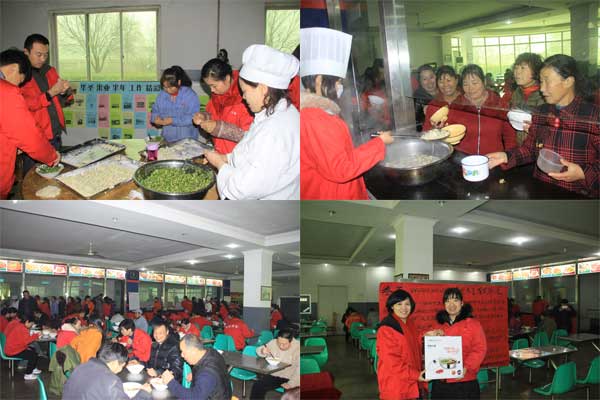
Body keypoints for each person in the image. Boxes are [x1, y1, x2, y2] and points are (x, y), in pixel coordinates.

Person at [300, 27, 393, 200]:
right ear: (319, 80)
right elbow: (341, 168)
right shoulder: (315, 118)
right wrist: (380, 143)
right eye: (337, 82)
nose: (340, 87)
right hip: (331, 195)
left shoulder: (315, 112)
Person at [487, 54, 599, 198]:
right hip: (541, 189)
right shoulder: (542, 112)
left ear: (568, 81)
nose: (542, 89)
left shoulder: (593, 116)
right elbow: (530, 149)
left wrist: (583, 173)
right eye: (541, 82)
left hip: (576, 194)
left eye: (547, 81)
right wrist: (506, 156)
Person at [204, 44, 300, 200]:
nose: (243, 97)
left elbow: (241, 189)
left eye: (245, 91)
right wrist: (226, 158)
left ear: (262, 88)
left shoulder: (275, 130)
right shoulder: (269, 114)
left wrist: (220, 165)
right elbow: (248, 149)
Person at [1, 55, 60, 198]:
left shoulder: (50, 71)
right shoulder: (6, 91)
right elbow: (29, 137)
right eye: (20, 81)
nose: (17, 86)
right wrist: (51, 156)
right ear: (13, 68)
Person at [20, 34, 72, 174]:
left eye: (46, 55)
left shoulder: (50, 70)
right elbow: (25, 105)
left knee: (55, 174)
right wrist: (50, 93)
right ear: (26, 52)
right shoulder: (20, 75)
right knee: (33, 176)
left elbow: (64, 100)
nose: (43, 59)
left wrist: (64, 91)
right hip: (36, 138)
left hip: (55, 133)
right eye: (38, 54)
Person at [437, 64, 517, 155]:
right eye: (465, 84)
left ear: (484, 82)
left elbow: (510, 136)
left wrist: (508, 156)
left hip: (493, 159)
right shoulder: (457, 105)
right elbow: (448, 132)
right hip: (463, 158)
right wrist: (441, 130)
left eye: (474, 83)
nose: (470, 88)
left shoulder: (498, 104)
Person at [429, 288, 487, 399]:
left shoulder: (473, 324)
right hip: (441, 381)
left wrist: (467, 367)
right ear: (444, 304)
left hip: (464, 380)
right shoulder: (438, 325)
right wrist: (430, 336)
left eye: (455, 300)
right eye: (447, 301)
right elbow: (430, 348)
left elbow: (480, 349)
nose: (451, 304)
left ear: (462, 303)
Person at [193, 49, 255, 154]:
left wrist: (218, 128)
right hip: (219, 153)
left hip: (238, 156)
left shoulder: (245, 99)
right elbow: (212, 115)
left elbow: (250, 136)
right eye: (209, 86)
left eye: (214, 86)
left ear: (227, 78)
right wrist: (204, 117)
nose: (212, 90)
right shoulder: (217, 96)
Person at [376, 289, 427, 399]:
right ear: (392, 306)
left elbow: (413, 341)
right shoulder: (386, 329)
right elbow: (392, 362)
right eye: (399, 304)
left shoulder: (409, 323)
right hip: (396, 384)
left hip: (411, 381)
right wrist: (416, 375)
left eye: (407, 304)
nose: (404, 308)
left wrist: (427, 335)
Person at [63, 343, 152, 400]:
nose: (121, 369)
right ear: (115, 362)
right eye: (122, 365)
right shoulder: (111, 381)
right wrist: (144, 393)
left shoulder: (81, 367)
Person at [161, 334, 232, 399]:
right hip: (221, 392)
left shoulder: (206, 374)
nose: (182, 355)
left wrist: (171, 382)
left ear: (194, 351)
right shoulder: (211, 352)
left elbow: (195, 397)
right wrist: (194, 373)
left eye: (183, 352)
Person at [150, 66, 199, 142]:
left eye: (170, 87)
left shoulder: (190, 95)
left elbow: (193, 118)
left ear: (178, 82)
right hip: (167, 138)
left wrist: (172, 120)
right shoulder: (161, 96)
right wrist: (156, 120)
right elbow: (155, 111)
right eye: (165, 87)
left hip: (187, 139)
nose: (167, 90)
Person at [508, 53, 545, 145]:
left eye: (523, 68)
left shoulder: (544, 95)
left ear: (535, 71)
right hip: (521, 145)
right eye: (516, 68)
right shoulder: (517, 93)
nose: (517, 72)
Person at [253, 329, 300, 398]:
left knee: (290, 395)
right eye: (279, 343)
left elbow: (299, 369)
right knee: (258, 385)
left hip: (290, 376)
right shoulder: (273, 342)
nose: (281, 346)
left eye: (284, 344)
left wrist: (291, 383)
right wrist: (262, 351)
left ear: (291, 341)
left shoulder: (298, 348)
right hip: (274, 374)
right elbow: (259, 350)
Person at [423, 65, 462, 130]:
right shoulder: (433, 105)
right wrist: (434, 129)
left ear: (456, 81)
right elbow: (426, 130)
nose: (445, 85)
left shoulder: (466, 101)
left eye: (448, 80)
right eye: (441, 82)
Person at [4, 313, 41, 380]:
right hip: (13, 351)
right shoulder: (23, 328)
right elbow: (27, 341)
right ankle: (28, 374)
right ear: (27, 322)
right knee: (33, 355)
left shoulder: (20, 325)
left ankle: (33, 368)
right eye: (31, 324)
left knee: (33, 349)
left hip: (12, 348)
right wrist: (36, 335)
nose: (31, 326)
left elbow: (23, 341)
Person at [413, 64, 439, 131]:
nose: (429, 82)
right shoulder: (418, 98)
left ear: (436, 77)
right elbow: (417, 123)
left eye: (431, 77)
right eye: (424, 79)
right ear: (420, 82)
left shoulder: (444, 90)